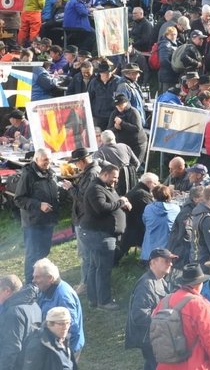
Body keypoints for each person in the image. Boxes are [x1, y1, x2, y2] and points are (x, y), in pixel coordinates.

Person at [14, 147, 73, 282]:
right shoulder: (28, 175)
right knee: (32, 255)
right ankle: (30, 284)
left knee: (44, 252)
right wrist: (39, 205)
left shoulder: (50, 172)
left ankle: (40, 281)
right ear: (36, 160)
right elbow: (19, 199)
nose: (48, 162)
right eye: (45, 160)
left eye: (50, 159)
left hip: (48, 221)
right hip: (33, 223)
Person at [152, 263, 210, 370]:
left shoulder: (164, 301)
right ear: (199, 284)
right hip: (193, 365)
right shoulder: (200, 305)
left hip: (164, 365)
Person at [80, 163, 132, 309]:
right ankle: (104, 301)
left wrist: (122, 203)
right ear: (105, 174)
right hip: (99, 235)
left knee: (95, 266)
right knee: (103, 269)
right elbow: (101, 208)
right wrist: (120, 202)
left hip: (103, 234)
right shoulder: (95, 189)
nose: (115, 180)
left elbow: (112, 203)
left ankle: (94, 299)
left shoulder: (107, 187)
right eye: (114, 178)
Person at [125, 248, 178, 370]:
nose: (170, 263)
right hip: (150, 338)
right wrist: (164, 322)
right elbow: (139, 315)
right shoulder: (146, 284)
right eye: (166, 260)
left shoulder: (160, 280)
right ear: (153, 263)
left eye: (171, 260)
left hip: (156, 337)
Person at [31, 258, 85, 356]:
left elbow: (71, 328)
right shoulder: (44, 290)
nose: (34, 280)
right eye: (34, 277)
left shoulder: (64, 297)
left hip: (66, 349)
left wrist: (62, 352)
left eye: (37, 277)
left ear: (50, 278)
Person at [0, 274, 42, 369]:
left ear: (7, 291)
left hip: (18, 364)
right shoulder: (34, 304)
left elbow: (11, 348)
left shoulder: (13, 313)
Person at [142, 185, 181, 261]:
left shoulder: (148, 208)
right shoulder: (176, 208)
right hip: (169, 248)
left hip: (149, 250)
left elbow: (145, 221)